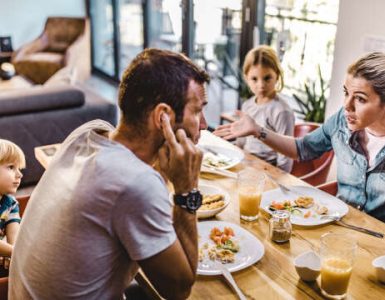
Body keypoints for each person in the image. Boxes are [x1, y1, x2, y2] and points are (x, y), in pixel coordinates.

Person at [9, 48, 210, 299]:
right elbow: (179, 290)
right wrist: (187, 191)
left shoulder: (89, 133)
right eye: (198, 110)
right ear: (163, 117)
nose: (203, 124)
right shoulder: (135, 183)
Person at [215, 51, 385, 222]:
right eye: (346, 93)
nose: (347, 106)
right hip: (342, 225)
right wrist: (257, 130)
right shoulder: (341, 121)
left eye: (360, 99)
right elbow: (302, 149)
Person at [237, 45, 294, 172]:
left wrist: (280, 181)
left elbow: (286, 153)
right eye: (254, 79)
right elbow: (241, 140)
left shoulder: (282, 111)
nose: (261, 85)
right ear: (246, 78)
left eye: (267, 78)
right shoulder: (247, 105)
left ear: (277, 76)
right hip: (246, 163)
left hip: (269, 169)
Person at [0, 139, 25, 276]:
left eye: (19, 169)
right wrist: (13, 252)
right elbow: (14, 250)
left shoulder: (11, 204)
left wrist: (12, 253)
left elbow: (15, 239)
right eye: (11, 167)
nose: (19, 174)